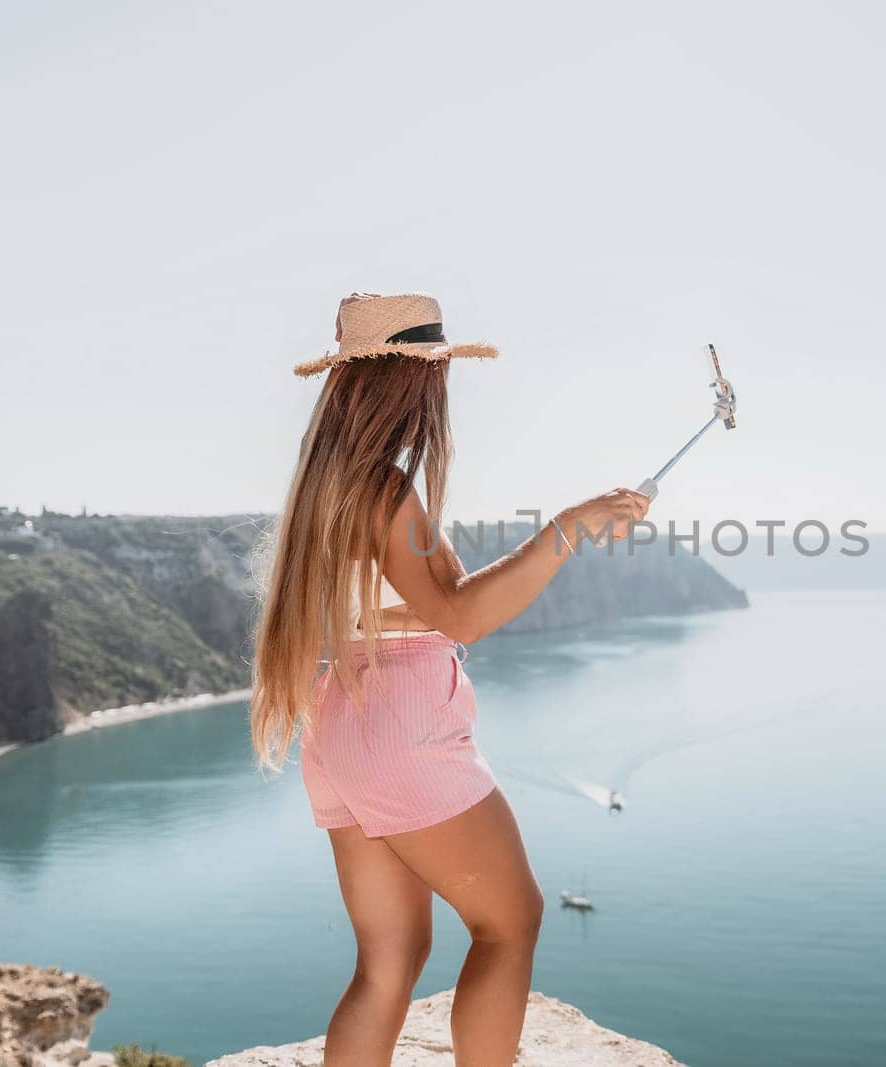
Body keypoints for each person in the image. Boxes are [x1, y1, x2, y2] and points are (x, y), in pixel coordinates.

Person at [250, 291, 649, 1067]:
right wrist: (568, 527)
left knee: (388, 962)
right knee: (513, 920)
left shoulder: (326, 484)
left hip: (342, 722)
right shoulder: (388, 488)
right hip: (403, 727)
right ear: (409, 379)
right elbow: (461, 616)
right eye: (435, 371)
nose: (441, 388)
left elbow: (371, 613)